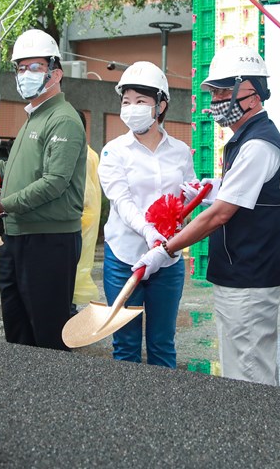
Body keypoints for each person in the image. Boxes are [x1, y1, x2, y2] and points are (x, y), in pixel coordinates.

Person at [132, 44, 280, 385]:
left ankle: (257, 435)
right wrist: (216, 189)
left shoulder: (257, 144)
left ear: (252, 92)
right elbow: (244, 199)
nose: (216, 100)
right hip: (242, 272)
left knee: (248, 373)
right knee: (242, 363)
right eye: (214, 92)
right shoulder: (245, 139)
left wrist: (166, 248)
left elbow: (220, 215)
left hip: (249, 274)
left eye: (222, 91)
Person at [0, 29, 86, 351]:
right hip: (19, 235)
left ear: (56, 73)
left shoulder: (62, 119)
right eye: (21, 68)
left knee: (48, 332)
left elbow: (54, 182)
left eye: (34, 67)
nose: (25, 75)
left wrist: (2, 206)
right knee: (17, 327)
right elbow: (19, 171)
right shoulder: (35, 117)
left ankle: (53, 398)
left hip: (48, 239)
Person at [98, 62, 195, 367]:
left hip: (168, 259)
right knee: (125, 346)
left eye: (141, 101)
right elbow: (121, 201)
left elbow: (186, 197)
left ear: (161, 105)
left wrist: (195, 198)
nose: (132, 108)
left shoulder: (180, 151)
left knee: (162, 344)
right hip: (124, 258)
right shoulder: (113, 151)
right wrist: (148, 230)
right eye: (126, 102)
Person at [72, 110, 100, 313]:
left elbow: (83, 192)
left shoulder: (79, 153)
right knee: (77, 267)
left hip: (77, 216)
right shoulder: (91, 152)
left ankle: (68, 312)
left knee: (69, 269)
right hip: (87, 215)